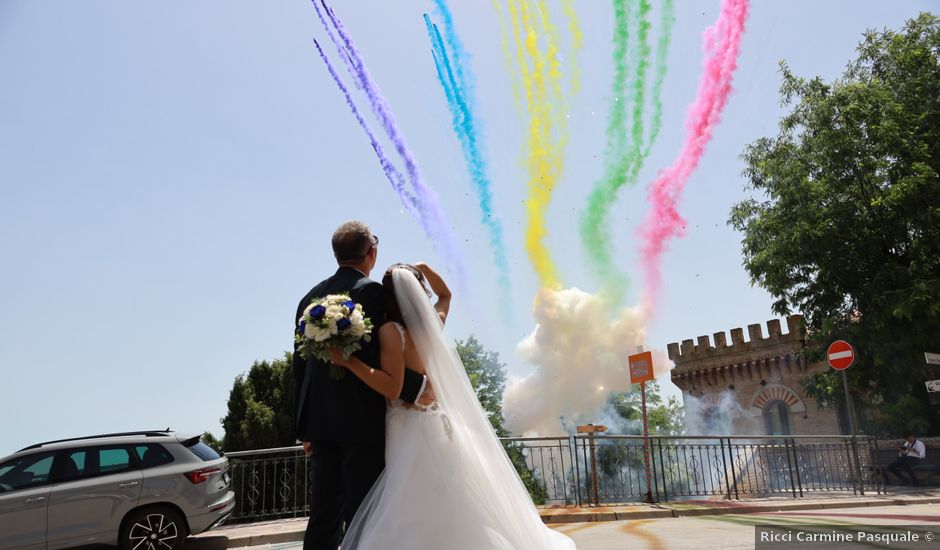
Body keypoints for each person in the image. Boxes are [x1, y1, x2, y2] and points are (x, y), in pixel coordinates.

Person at [330, 262, 576, 549]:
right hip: (438, 421)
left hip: (407, 425)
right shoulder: (433, 324)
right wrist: (425, 268)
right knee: (448, 492)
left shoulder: (390, 331)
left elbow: (393, 387)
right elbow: (446, 295)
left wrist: (349, 361)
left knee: (410, 496)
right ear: (419, 293)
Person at [293, 221, 435, 550]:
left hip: (320, 422)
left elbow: (301, 367)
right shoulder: (373, 294)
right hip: (362, 420)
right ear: (371, 252)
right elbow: (386, 355)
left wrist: (304, 430)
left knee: (323, 514)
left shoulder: (308, 300)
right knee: (365, 511)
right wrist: (421, 388)